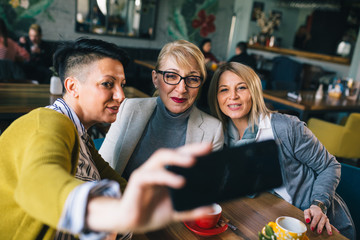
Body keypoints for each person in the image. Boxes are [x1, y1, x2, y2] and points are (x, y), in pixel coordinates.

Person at [0, 38, 215, 240]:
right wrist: (119, 214)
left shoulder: (80, 134)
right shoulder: (48, 122)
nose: (121, 95)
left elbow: (113, 181)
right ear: (72, 87)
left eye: (121, 84)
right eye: (107, 84)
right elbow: (40, 183)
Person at [207, 62, 355, 240]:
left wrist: (319, 204)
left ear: (253, 91)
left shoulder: (284, 127)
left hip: (316, 222)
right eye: (224, 89)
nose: (233, 96)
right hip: (271, 220)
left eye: (241, 87)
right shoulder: (221, 135)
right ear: (215, 96)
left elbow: (330, 166)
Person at [99, 39, 224, 179]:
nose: (182, 89)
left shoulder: (213, 130)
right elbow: (102, 169)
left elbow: (206, 187)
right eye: (171, 76)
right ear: (155, 79)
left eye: (193, 78)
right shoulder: (128, 108)